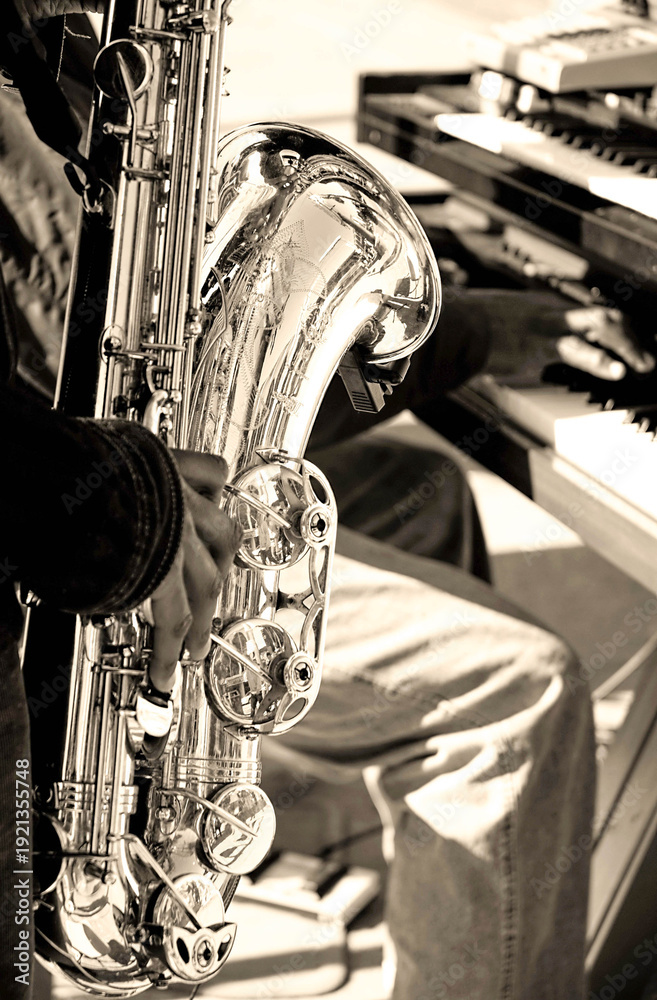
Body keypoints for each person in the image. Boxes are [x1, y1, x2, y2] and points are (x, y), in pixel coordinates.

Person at [0, 5, 653, 999]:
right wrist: (470, 339)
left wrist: (457, 335)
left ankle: (401, 895)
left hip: (118, 483)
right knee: (520, 688)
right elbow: (110, 406)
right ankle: (174, 838)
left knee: (419, 502)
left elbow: (184, 382)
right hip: (87, 559)